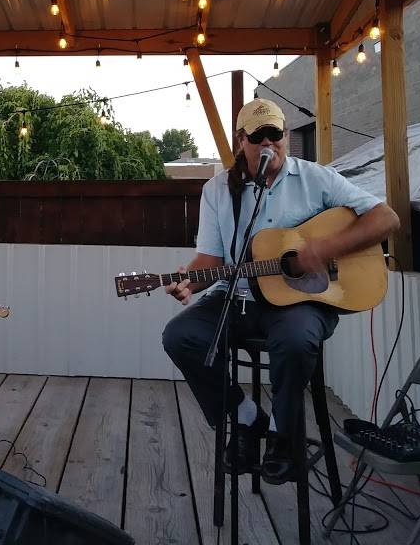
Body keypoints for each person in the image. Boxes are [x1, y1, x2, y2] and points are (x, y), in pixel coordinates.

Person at [161, 97, 399, 483]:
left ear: (287, 136)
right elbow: (209, 262)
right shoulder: (218, 190)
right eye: (259, 136)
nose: (269, 143)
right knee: (179, 336)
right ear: (242, 141)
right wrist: (186, 279)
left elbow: (385, 218)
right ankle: (247, 419)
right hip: (237, 297)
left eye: (276, 134)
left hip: (301, 302)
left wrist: (323, 249)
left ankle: (283, 434)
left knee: (294, 340)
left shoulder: (315, 178)